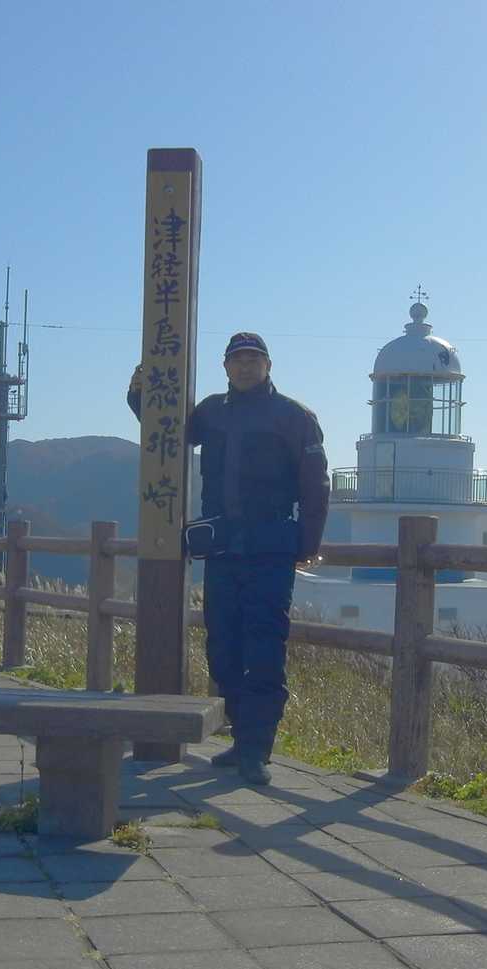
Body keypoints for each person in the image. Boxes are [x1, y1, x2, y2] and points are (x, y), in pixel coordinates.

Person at [128, 332, 328, 784]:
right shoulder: (211, 412)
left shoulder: (294, 417)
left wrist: (308, 543)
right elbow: (168, 433)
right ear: (225, 367)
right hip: (221, 548)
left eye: (253, 359)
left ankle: (257, 749)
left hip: (270, 548)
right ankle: (241, 738)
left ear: (268, 365)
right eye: (237, 359)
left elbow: (316, 484)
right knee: (222, 647)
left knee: (264, 647)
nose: (245, 366)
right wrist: (141, 395)